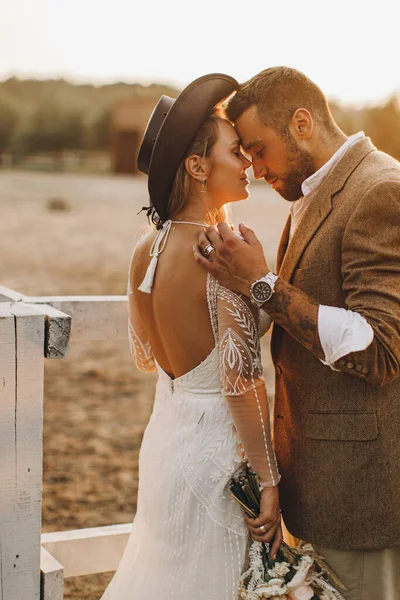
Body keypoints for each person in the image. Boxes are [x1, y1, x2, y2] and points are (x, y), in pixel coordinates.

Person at [194, 66, 400, 600]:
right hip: (317, 484)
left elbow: (380, 349)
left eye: (259, 149)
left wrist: (261, 285)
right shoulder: (315, 189)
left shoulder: (380, 191)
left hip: (361, 500)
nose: (255, 167)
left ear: (303, 123)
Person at [100, 74, 282, 600]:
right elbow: (241, 382)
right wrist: (267, 480)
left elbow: (143, 356)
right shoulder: (220, 250)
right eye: (234, 151)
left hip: (166, 439)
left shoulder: (144, 250)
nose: (247, 161)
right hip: (216, 456)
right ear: (198, 166)